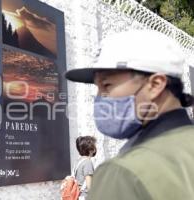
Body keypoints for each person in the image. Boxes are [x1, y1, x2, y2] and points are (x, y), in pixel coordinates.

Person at [65, 30, 194, 200]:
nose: (99, 98)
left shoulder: (122, 173)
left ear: (155, 85)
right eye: (97, 88)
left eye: (107, 85)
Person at [74, 136, 96, 200]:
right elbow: (89, 186)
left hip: (78, 196)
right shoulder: (87, 163)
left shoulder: (78, 162)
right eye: (94, 146)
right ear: (90, 149)